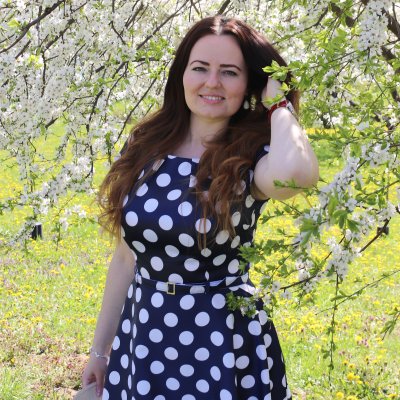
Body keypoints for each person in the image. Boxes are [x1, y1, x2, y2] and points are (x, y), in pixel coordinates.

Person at [82, 15, 319, 400]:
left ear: (249, 85)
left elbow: (296, 174)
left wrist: (279, 105)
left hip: (222, 341)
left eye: (229, 72)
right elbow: (126, 258)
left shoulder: (251, 158)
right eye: (200, 68)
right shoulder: (145, 145)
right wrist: (100, 350)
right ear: (181, 74)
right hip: (143, 335)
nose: (212, 82)